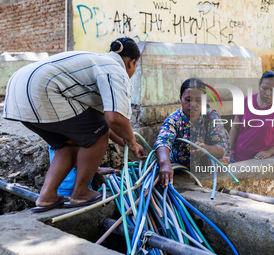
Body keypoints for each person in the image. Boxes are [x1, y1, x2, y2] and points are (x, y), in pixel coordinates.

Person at [3, 37, 146, 211]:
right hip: (41, 89)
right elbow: (114, 118)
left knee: (68, 145)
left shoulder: (96, 62)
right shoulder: (115, 69)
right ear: (132, 62)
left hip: (17, 92)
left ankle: (47, 196)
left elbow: (102, 123)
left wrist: (128, 143)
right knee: (97, 136)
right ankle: (81, 193)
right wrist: (132, 142)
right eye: (136, 66)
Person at [154, 78, 230, 188]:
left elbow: (221, 148)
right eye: (188, 99)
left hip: (207, 171)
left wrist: (206, 149)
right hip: (181, 171)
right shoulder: (174, 120)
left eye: (198, 100)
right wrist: (165, 164)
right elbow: (162, 141)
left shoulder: (211, 117)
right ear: (180, 98)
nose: (193, 104)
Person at [229, 71, 274, 162]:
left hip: (261, 162)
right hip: (236, 158)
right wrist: (229, 149)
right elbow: (235, 127)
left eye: (273, 90)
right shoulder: (247, 100)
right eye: (264, 88)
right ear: (259, 86)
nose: (268, 93)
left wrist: (269, 152)